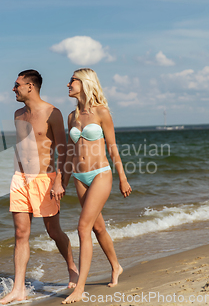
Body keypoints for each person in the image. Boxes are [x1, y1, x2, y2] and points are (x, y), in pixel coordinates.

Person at [0, 69, 79, 304]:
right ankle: (18, 289)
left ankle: (72, 267)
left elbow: (64, 150)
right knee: (21, 233)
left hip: (45, 179)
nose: (14, 88)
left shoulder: (52, 113)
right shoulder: (18, 115)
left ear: (30, 86)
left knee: (54, 231)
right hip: (20, 179)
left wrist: (59, 181)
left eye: (17, 84)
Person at [61, 68, 132, 304]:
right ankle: (116, 266)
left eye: (73, 80)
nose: (68, 84)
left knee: (83, 227)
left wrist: (122, 177)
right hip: (80, 178)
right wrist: (63, 182)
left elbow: (112, 147)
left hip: (101, 174)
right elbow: (71, 153)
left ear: (85, 83)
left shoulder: (101, 112)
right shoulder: (71, 117)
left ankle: (80, 288)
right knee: (97, 228)